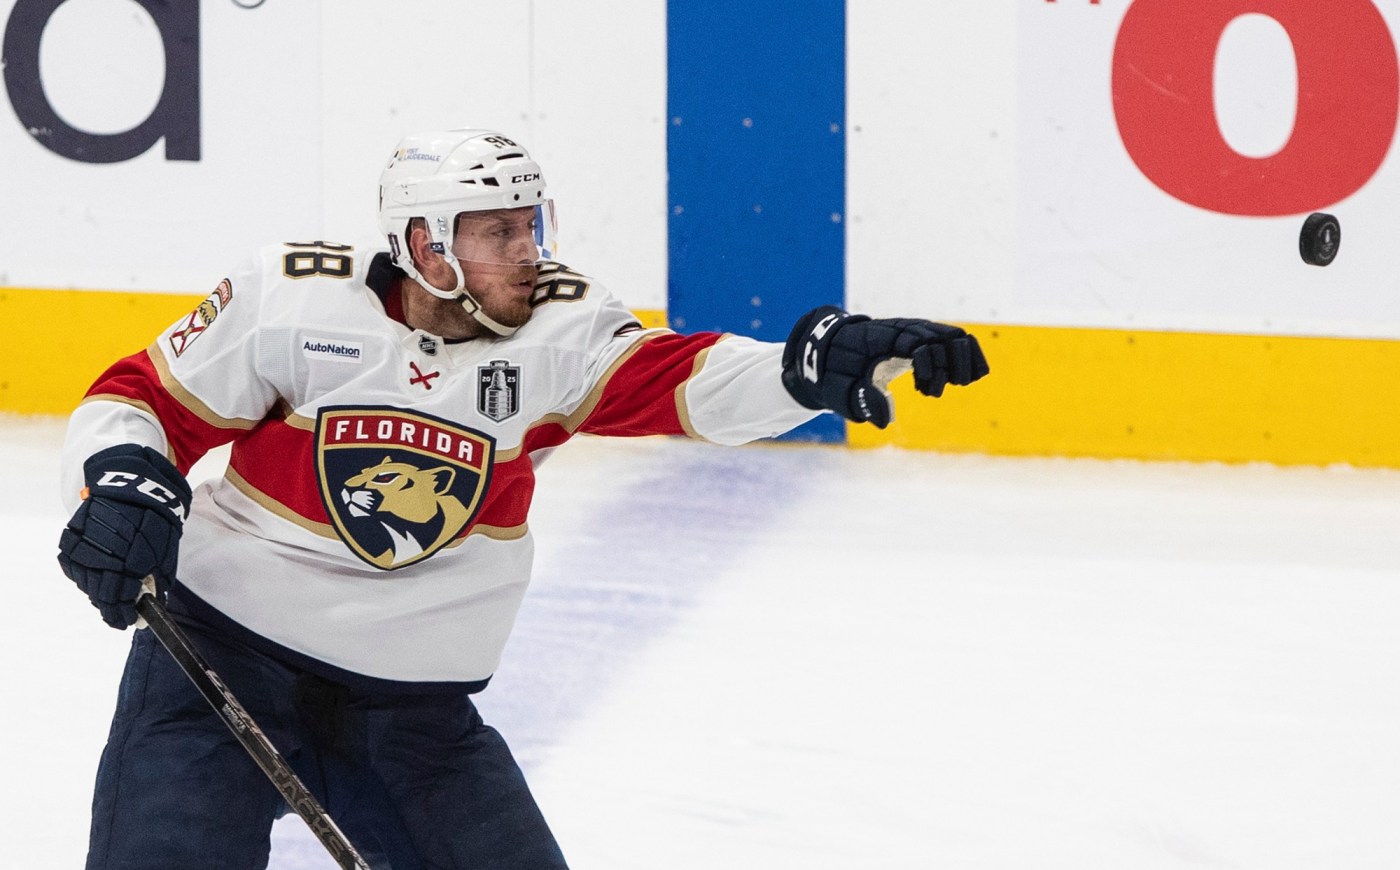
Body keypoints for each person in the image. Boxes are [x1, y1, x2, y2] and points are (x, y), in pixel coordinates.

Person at [55, 127, 990, 869]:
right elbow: (137, 401)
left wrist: (802, 373)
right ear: (425, 245)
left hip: (412, 718)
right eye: (498, 232)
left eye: (532, 224)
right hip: (217, 665)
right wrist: (120, 484)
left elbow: (676, 379)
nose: (529, 251)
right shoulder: (291, 299)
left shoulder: (558, 329)